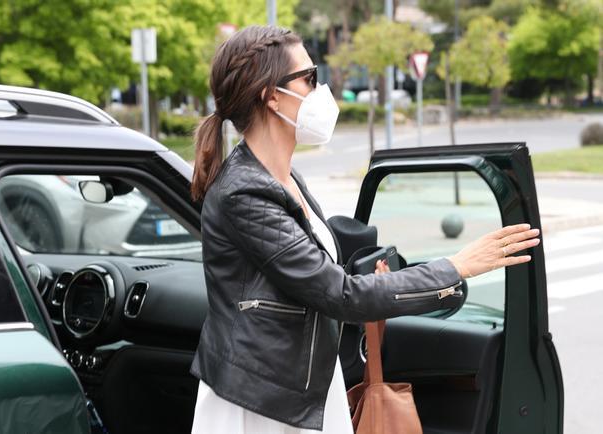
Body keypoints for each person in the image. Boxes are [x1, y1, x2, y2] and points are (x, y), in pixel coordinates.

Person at [188, 25, 540, 434]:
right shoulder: (244, 192)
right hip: (262, 400)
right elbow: (339, 295)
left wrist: (378, 277)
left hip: (298, 385)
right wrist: (455, 267)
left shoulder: (281, 177)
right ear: (271, 95)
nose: (322, 91)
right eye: (310, 78)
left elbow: (317, 280)